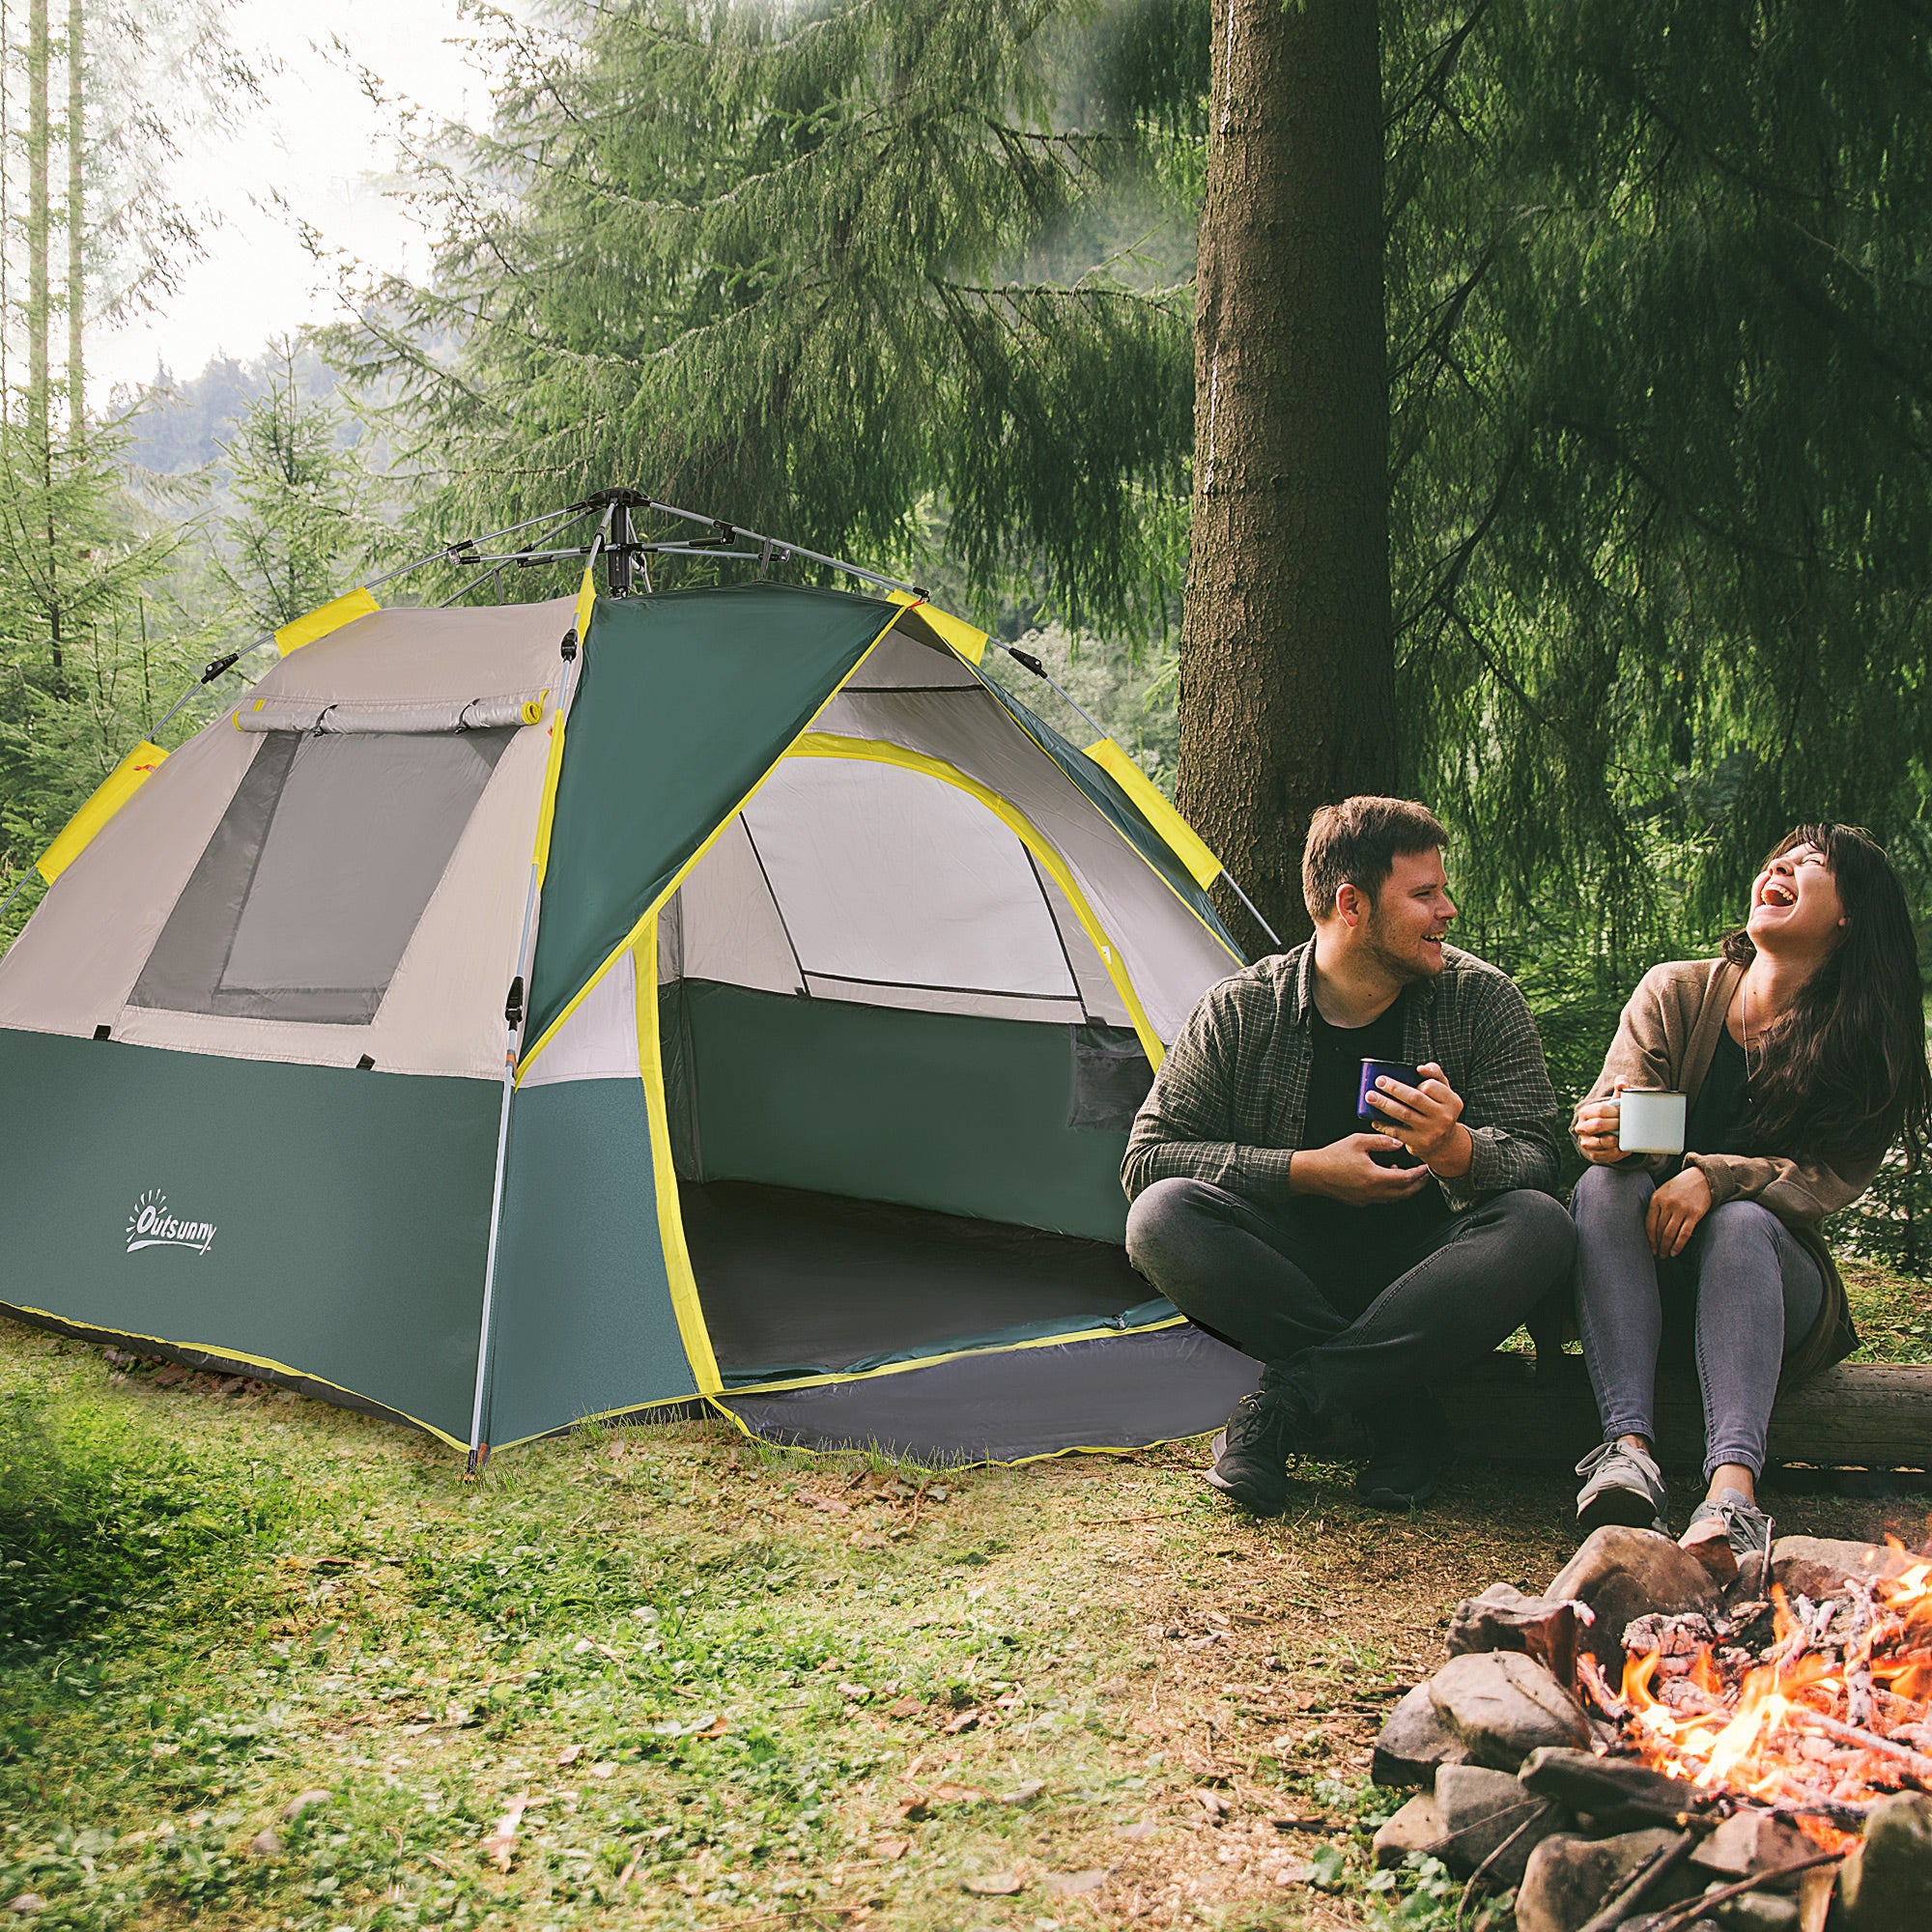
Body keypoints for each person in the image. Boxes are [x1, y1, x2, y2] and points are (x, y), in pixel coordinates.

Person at [1122, 796, 1574, 1515]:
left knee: (1539, 1223)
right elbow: (1147, 1161)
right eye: (1424, 895)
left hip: (1431, 1274)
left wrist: (1459, 1153)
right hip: (1290, 1270)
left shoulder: (1481, 1001)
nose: (1447, 910)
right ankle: (1402, 1409)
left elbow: (1538, 1158)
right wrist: (1306, 1172)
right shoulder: (1242, 1009)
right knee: (1160, 1216)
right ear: (1351, 904)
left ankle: (1290, 1400)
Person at [1569, 824, 1932, 1578]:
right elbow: (1623, 1109)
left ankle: (1732, 1495)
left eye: (1813, 863)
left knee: (1740, 1221)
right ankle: (1626, 1455)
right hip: (1647, 1283)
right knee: (1603, 1185)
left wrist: (1716, 1176)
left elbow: (1827, 1182)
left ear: (1849, 916)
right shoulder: (1676, 990)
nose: (1783, 864)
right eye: (1782, 855)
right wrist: (1606, 1128)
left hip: (1767, 1292)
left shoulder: (1862, 1039)